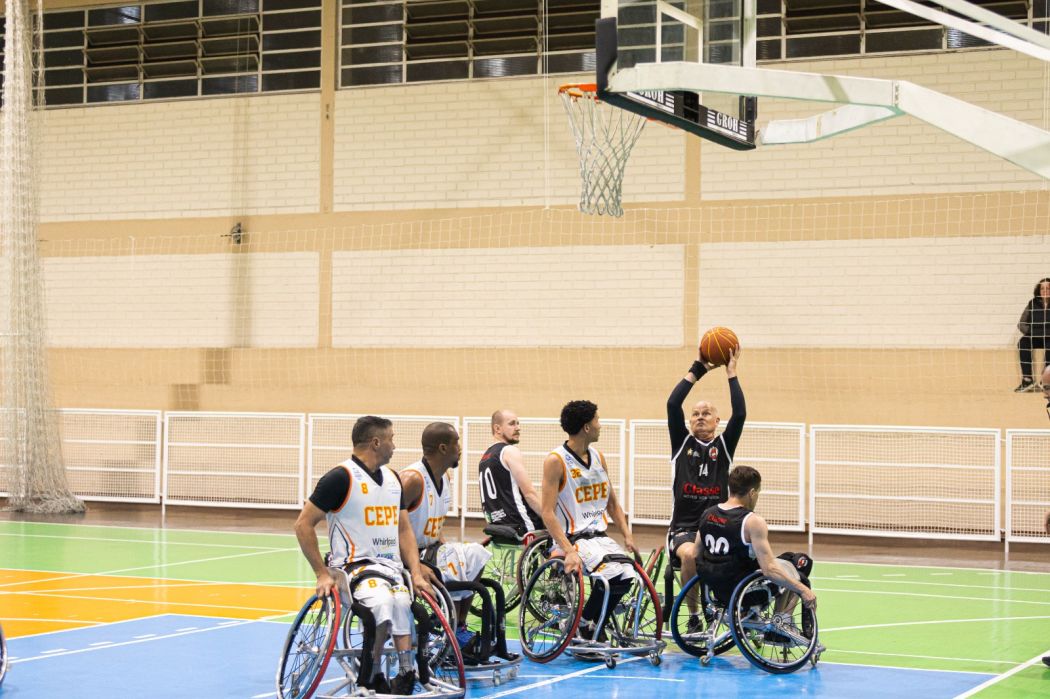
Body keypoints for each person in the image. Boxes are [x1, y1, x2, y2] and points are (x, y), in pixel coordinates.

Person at [294, 415, 432, 696]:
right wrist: (321, 573)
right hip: (352, 569)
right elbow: (303, 525)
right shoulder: (340, 477)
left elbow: (404, 529)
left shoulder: (393, 479)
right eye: (391, 439)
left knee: (402, 601)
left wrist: (416, 572)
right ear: (376, 442)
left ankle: (406, 672)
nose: (394, 446)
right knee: (382, 602)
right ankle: (373, 671)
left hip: (390, 568)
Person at [540, 400, 637, 648]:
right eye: (597, 420)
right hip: (572, 538)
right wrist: (568, 550)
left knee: (628, 573)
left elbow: (612, 503)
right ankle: (585, 625)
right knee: (611, 573)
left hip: (598, 536)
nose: (600, 425)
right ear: (586, 427)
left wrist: (627, 536)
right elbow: (547, 513)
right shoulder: (556, 461)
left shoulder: (598, 457)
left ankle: (591, 624)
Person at [665, 346, 744, 631]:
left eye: (706, 413)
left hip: (718, 527)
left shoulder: (724, 445)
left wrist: (731, 373)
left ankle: (739, 609)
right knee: (690, 554)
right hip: (684, 529)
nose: (700, 417)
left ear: (717, 421)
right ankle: (695, 615)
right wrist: (696, 370)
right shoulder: (682, 443)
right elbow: (672, 404)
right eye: (695, 414)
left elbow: (740, 414)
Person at [697, 465, 817, 643]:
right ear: (752, 493)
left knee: (793, 558)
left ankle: (764, 617)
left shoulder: (707, 514)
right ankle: (780, 622)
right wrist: (803, 589)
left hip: (717, 590)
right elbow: (769, 570)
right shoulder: (752, 521)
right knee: (800, 569)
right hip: (747, 591)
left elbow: (696, 554)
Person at [400, 422, 492, 650]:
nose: (459, 448)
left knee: (475, 553)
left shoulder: (445, 478)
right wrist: (414, 566)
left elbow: (432, 524)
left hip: (429, 550)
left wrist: (446, 545)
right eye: (456, 443)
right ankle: (451, 630)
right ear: (443, 448)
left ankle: (458, 626)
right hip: (405, 555)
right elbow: (389, 528)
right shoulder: (412, 479)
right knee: (455, 560)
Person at [479, 409, 544, 536]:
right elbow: (530, 494)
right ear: (497, 428)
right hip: (522, 526)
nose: (518, 428)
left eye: (518, 423)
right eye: (512, 424)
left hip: (498, 527)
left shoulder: (484, 457)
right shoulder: (509, 451)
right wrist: (552, 519)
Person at [1015, 277, 1050, 392]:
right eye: (1042, 288)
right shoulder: (1032, 303)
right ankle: (1027, 380)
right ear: (1039, 290)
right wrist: (1031, 333)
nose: (1045, 291)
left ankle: (1046, 380)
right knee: (1023, 343)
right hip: (1034, 336)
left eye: (1048, 288)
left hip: (1049, 337)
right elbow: (1021, 323)